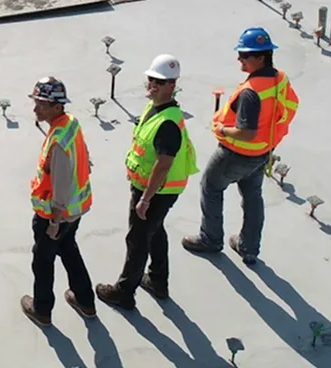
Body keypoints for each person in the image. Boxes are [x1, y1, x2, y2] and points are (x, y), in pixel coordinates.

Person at [183, 26, 300, 264]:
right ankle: (249, 247)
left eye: (244, 55)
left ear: (260, 57)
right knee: (253, 195)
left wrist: (222, 129)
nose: (239, 59)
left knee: (211, 187)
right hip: (263, 151)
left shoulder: (250, 93)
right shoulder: (279, 78)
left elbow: (246, 132)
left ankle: (210, 239)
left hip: (237, 153)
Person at [98, 54, 199, 308]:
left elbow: (163, 164)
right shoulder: (156, 108)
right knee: (154, 232)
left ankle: (124, 292)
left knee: (138, 238)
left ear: (172, 85)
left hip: (155, 191)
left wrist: (145, 198)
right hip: (153, 189)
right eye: (151, 79)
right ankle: (157, 280)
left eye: (159, 82)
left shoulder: (167, 124)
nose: (152, 85)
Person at [21, 77, 98, 326]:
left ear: (57, 107)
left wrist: (54, 221)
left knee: (42, 261)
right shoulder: (70, 124)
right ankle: (85, 301)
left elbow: (61, 186)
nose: (35, 109)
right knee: (69, 250)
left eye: (41, 104)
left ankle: (42, 310)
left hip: (55, 216)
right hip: (74, 212)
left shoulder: (58, 142)